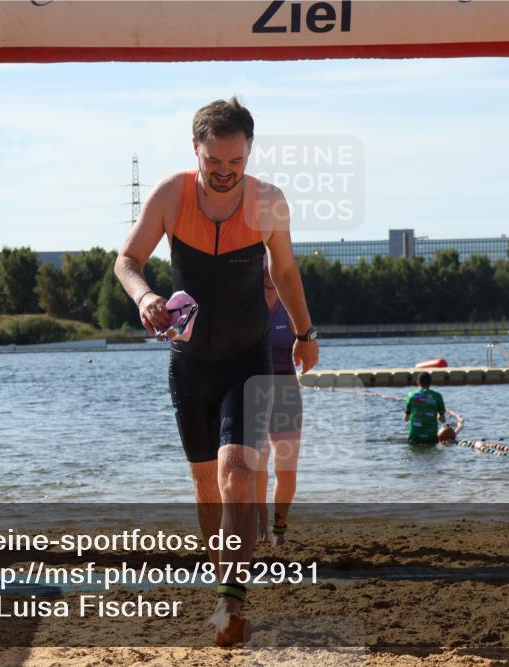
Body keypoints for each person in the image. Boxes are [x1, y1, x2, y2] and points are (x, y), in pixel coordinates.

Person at [115, 97, 319, 646]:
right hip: (189, 363)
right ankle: (222, 587)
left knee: (238, 472)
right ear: (195, 150)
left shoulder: (268, 202)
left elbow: (286, 271)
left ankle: (231, 601)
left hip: (248, 357)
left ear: (249, 152)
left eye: (236, 161)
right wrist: (145, 296)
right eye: (214, 162)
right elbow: (127, 261)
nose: (225, 172)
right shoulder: (171, 195)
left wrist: (305, 334)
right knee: (207, 487)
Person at [255, 256, 302, 547]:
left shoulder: (290, 305)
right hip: (253, 388)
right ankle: (259, 519)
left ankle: (279, 527)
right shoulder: (246, 306)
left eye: (271, 269)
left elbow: (307, 337)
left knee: (286, 467)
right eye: (262, 269)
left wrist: (305, 344)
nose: (267, 274)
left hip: (286, 387)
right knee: (257, 461)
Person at [405, 373, 446, 445]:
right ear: (430, 383)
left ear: (417, 382)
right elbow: (442, 420)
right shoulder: (437, 396)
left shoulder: (411, 395)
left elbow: (406, 419)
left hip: (415, 436)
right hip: (431, 436)